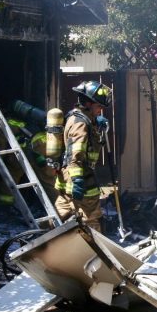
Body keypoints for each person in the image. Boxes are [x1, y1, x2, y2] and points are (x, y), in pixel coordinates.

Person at [54, 80, 112, 231]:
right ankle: (92, 250)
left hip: (68, 175)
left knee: (63, 211)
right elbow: (75, 153)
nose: (100, 110)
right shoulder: (81, 123)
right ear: (87, 103)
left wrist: (95, 122)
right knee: (91, 218)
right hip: (81, 177)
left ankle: (54, 240)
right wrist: (78, 180)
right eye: (99, 106)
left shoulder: (79, 117)